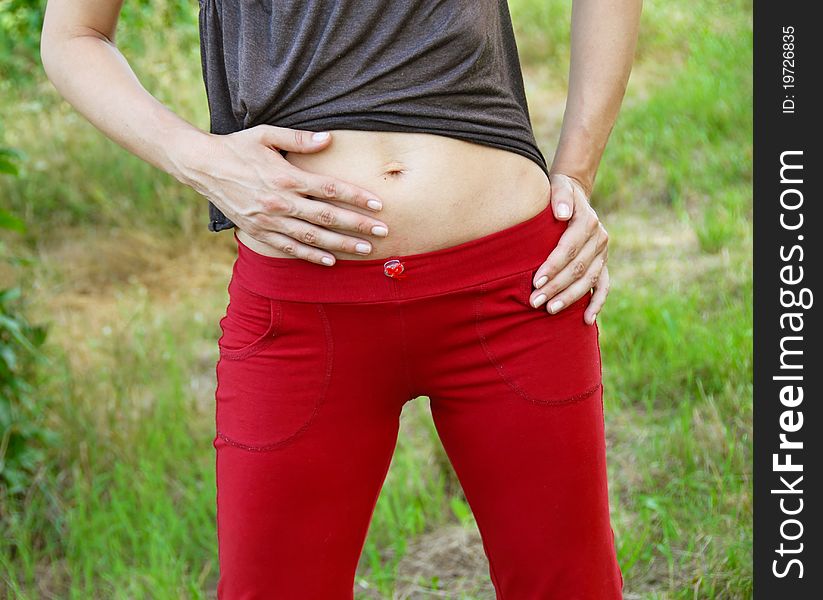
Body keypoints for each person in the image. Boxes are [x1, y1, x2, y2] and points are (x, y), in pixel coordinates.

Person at [40, 0, 642, 597]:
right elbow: (73, 35)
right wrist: (202, 161)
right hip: (301, 310)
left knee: (570, 585)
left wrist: (578, 173)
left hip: (516, 287)